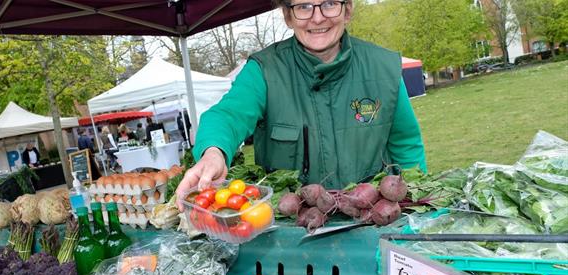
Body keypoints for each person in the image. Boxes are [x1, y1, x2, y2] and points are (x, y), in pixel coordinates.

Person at [176, 0, 426, 208]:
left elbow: (406, 145)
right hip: (293, 232)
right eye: (304, 6)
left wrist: (417, 203)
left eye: (329, 4)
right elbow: (227, 116)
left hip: (371, 223)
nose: (317, 18)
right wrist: (213, 153)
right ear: (288, 16)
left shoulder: (382, 68)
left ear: (347, 10)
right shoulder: (265, 71)